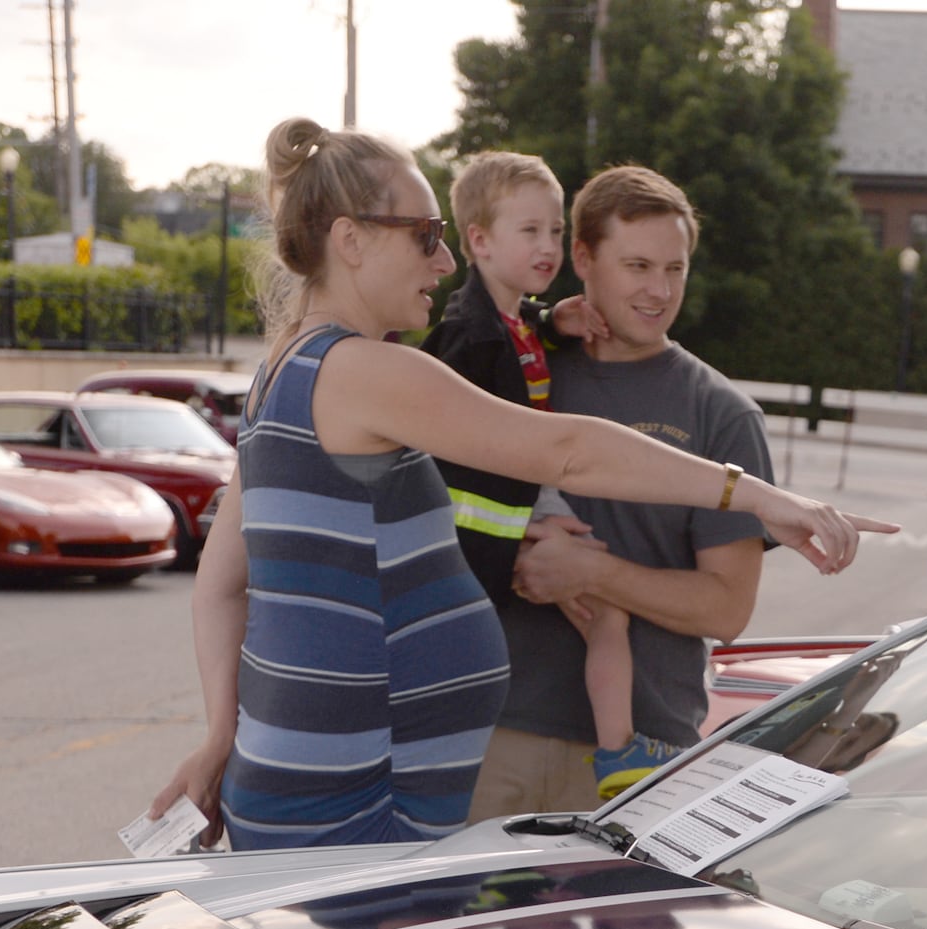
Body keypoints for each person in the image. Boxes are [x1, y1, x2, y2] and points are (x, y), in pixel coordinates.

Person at [145, 120, 885, 852]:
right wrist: (755, 494)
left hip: (319, 783)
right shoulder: (365, 370)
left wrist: (221, 737)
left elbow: (220, 585)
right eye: (425, 235)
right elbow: (565, 451)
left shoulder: (283, 371)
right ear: (351, 240)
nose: (442, 262)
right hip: (358, 799)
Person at [477, 165, 791, 819]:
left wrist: (592, 571)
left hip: (644, 762)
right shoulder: (515, 372)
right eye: (638, 266)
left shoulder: (723, 414)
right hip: (492, 734)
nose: (659, 290)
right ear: (583, 257)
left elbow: (726, 610)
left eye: (675, 269)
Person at [418, 153, 650, 800]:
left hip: (524, 500)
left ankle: (615, 751)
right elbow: (443, 459)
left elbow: (519, 337)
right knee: (603, 614)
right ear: (479, 241)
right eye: (531, 232)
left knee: (601, 613)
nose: (549, 246)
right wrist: (517, 540)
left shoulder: (513, 322)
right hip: (499, 521)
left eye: (554, 231)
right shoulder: (464, 339)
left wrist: (552, 321)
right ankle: (619, 755)